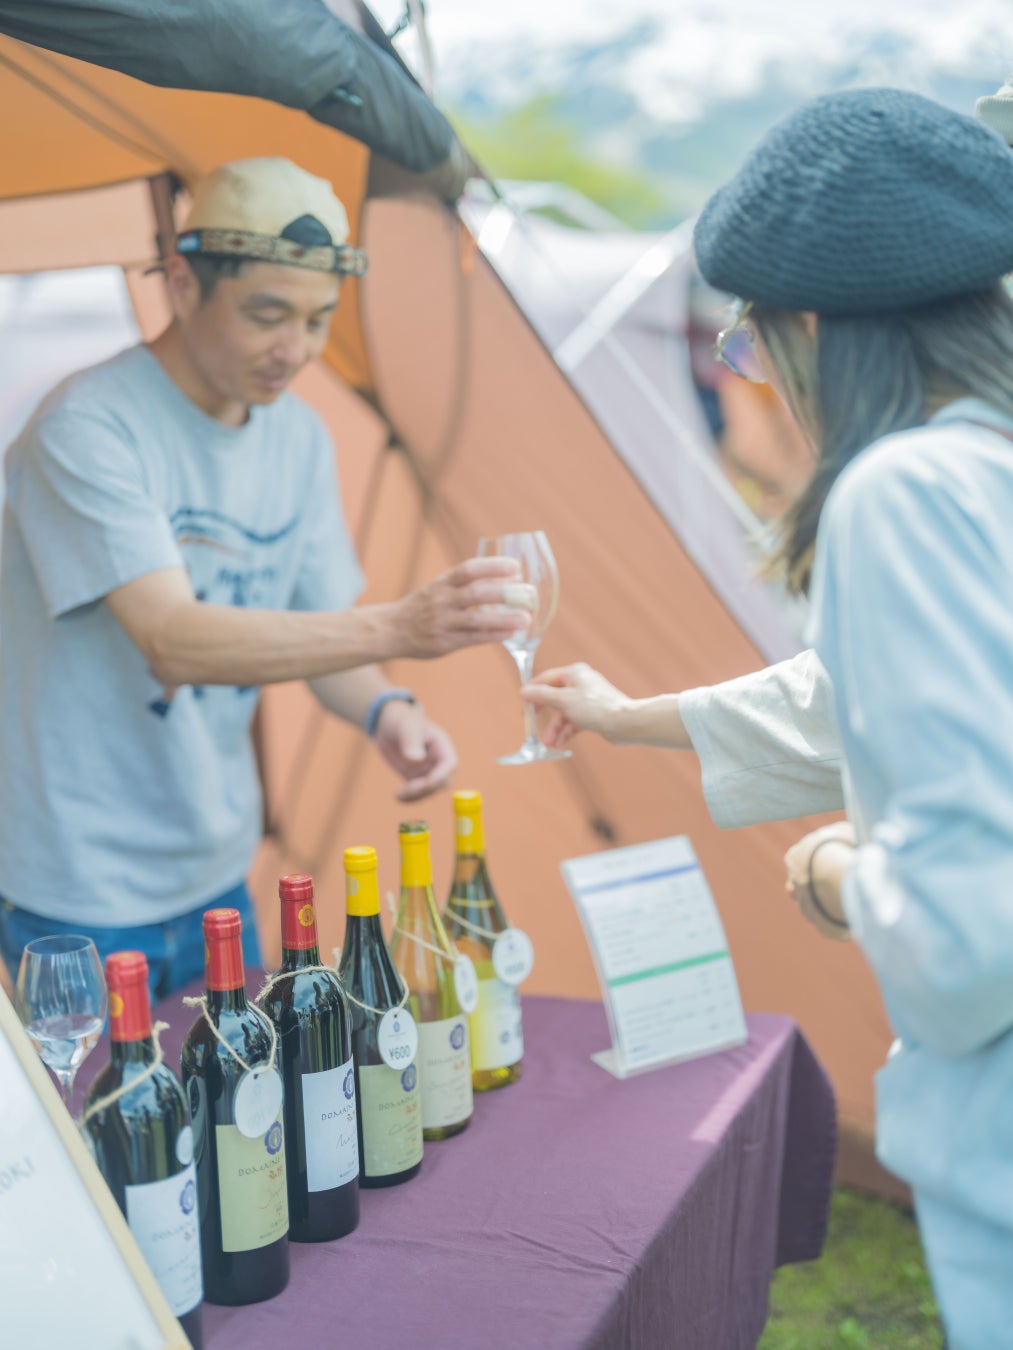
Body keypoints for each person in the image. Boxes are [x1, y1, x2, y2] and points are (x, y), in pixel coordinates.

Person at [524, 88, 1013, 1347]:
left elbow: (966, 929)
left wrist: (837, 870)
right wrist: (630, 716)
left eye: (746, 344)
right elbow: (861, 694)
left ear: (809, 325)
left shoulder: (904, 492)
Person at [0, 157, 530, 997]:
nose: (296, 350)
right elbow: (173, 640)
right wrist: (402, 626)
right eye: (267, 315)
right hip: (75, 887)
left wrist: (387, 710)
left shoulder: (298, 438)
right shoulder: (87, 428)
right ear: (183, 284)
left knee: (242, 1083)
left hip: (218, 871)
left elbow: (319, 630)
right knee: (102, 1090)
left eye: (318, 320)